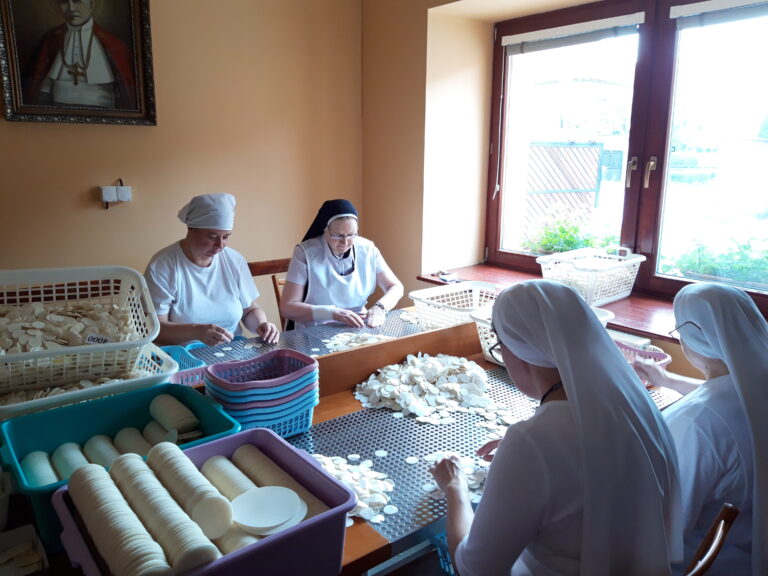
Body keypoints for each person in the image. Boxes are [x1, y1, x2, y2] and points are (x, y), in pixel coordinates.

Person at [429, 280, 683, 576]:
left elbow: (475, 570)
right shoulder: (637, 403)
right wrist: (530, 451)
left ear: (518, 349)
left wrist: (454, 486)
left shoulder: (532, 441)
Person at [634, 283, 768, 576]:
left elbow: (663, 525)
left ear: (695, 337)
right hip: (748, 547)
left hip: (702, 561)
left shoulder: (697, 423)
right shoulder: (756, 381)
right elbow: (729, 394)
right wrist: (667, 379)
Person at [144, 193, 279, 347]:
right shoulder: (163, 266)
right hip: (183, 354)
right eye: (212, 236)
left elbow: (250, 310)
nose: (220, 245)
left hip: (231, 348)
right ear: (191, 229)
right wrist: (197, 332)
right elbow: (155, 330)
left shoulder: (234, 260)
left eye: (226, 237)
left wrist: (262, 325)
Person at [281, 199, 404, 329]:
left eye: (351, 235)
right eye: (338, 236)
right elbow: (288, 308)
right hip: (316, 327)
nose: (345, 242)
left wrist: (380, 307)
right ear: (325, 230)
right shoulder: (305, 253)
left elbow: (396, 287)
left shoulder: (367, 249)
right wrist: (333, 313)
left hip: (358, 324)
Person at [22, 0, 137, 109]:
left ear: (91, 3)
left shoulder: (114, 44)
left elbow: (126, 94)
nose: (71, 8)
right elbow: (36, 88)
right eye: (64, 1)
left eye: (77, 1)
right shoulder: (50, 40)